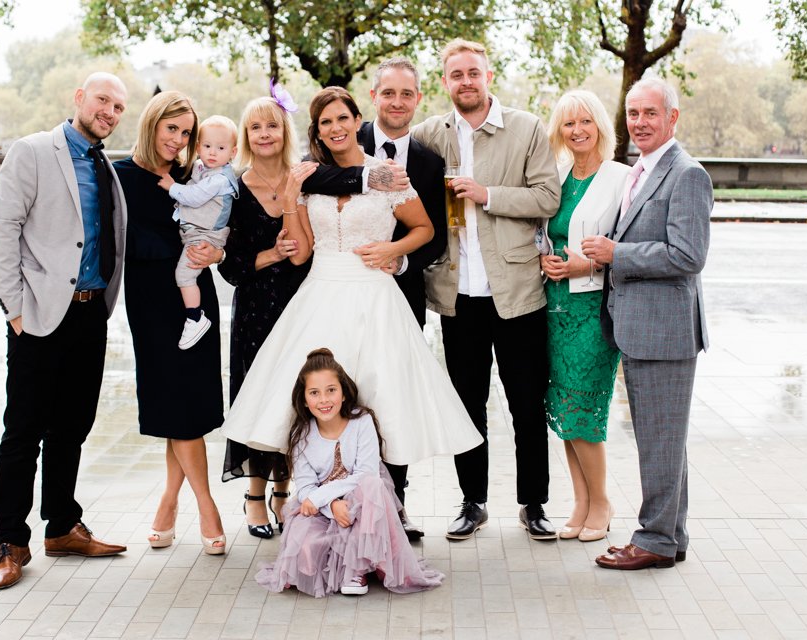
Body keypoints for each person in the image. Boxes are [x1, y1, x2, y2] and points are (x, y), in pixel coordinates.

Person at [220, 87, 482, 502]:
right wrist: (291, 201)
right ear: (317, 132)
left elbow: (426, 229)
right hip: (320, 295)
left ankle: (387, 505)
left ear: (356, 121)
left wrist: (393, 250)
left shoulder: (389, 175)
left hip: (375, 299)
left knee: (382, 401)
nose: (335, 128)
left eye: (342, 118)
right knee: (315, 400)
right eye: (326, 122)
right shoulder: (307, 178)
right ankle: (322, 501)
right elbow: (302, 252)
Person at [0, 72, 129, 590]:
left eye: (118, 107)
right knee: (23, 431)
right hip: (39, 316)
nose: (109, 112)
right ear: (79, 98)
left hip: (90, 314)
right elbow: (1, 227)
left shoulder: (106, 167)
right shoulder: (33, 151)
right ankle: (10, 543)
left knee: (72, 427)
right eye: (102, 101)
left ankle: (63, 526)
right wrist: (14, 309)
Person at [412, 39, 561, 540]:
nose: (466, 82)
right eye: (456, 75)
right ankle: (472, 502)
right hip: (457, 297)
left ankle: (534, 504)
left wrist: (486, 194)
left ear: (489, 76)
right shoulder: (429, 135)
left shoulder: (527, 128)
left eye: (473, 73)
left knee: (525, 403)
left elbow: (547, 196)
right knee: (466, 404)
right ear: (445, 82)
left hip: (517, 291)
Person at [582, 77, 712, 570]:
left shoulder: (687, 174)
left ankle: (653, 539)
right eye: (633, 114)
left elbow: (687, 255)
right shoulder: (641, 170)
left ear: (672, 118)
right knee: (664, 441)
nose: (640, 123)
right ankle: (670, 536)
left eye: (650, 113)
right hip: (640, 327)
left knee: (660, 441)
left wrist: (617, 254)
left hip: (665, 331)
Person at [113, 91, 227, 555]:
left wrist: (216, 251)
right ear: (152, 124)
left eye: (186, 133)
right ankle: (205, 505)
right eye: (172, 129)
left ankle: (169, 502)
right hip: (151, 303)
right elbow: (117, 240)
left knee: (187, 408)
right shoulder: (118, 176)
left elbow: (225, 223)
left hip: (196, 299)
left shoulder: (192, 176)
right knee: (174, 406)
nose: (178, 141)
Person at [255, 348, 444, 597]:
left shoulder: (361, 422)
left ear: (343, 393)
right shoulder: (301, 435)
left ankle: (357, 568)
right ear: (303, 399)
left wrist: (326, 498)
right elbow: (306, 487)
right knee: (305, 545)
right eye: (314, 393)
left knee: (372, 486)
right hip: (325, 510)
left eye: (331, 390)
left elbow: (366, 473)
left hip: (364, 503)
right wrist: (331, 506)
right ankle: (335, 563)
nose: (324, 400)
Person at [355, 57, 447, 539]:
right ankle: (346, 502)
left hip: (403, 294)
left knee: (395, 399)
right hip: (348, 295)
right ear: (374, 97)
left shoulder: (430, 162)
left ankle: (396, 505)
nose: (396, 102)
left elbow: (436, 236)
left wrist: (401, 258)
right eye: (388, 93)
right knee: (350, 397)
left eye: (406, 94)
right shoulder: (346, 144)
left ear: (417, 98)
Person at [217, 95, 316, 539]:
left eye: (271, 126)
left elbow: (314, 250)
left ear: (284, 131)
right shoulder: (233, 189)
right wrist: (272, 253)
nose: (264, 135)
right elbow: (229, 265)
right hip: (256, 311)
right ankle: (255, 497)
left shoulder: (306, 182)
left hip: (301, 308)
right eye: (255, 128)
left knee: (294, 401)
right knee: (258, 401)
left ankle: (284, 490)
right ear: (245, 136)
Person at [538, 90, 627, 542]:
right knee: (564, 410)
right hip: (553, 310)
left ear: (599, 127)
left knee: (584, 411)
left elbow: (625, 246)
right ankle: (580, 501)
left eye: (585, 122)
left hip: (594, 314)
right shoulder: (557, 176)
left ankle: (603, 502)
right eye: (569, 124)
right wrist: (546, 260)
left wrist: (587, 264)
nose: (577, 131)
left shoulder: (621, 179)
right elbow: (544, 233)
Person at [157, 115, 239, 349]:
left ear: (232, 153)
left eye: (220, 148)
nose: (213, 152)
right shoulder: (203, 168)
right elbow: (195, 177)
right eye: (207, 146)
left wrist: (171, 186)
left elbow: (193, 196)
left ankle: (195, 317)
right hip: (195, 231)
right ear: (198, 147)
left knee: (184, 275)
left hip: (205, 236)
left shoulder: (220, 180)